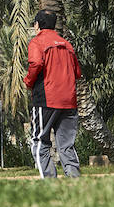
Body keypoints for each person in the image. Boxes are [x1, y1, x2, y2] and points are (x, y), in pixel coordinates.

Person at [24, 9, 83, 178]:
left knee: (39, 141)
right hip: (69, 100)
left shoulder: (37, 42)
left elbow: (36, 63)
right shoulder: (67, 45)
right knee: (66, 144)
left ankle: (49, 182)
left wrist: (28, 81)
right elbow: (77, 73)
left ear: (37, 25)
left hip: (46, 100)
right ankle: (75, 180)